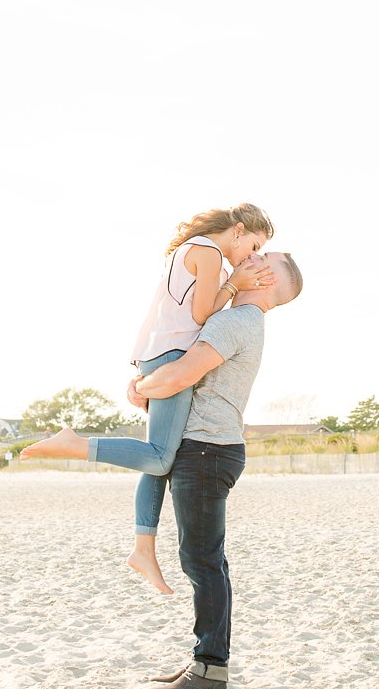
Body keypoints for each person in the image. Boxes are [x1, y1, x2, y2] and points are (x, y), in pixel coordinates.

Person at [23, 251, 304, 689]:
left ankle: (210, 667)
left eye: (260, 256)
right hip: (210, 449)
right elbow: (178, 380)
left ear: (267, 278)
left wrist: (140, 387)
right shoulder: (241, 321)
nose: (249, 256)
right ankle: (206, 662)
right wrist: (149, 389)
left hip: (207, 451)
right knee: (207, 559)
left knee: (202, 561)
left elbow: (179, 377)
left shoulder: (235, 322)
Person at [21, 204, 276, 596]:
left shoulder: (192, 249)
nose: (251, 257)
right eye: (253, 245)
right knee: (159, 456)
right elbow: (202, 313)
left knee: (160, 459)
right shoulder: (208, 252)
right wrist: (234, 283)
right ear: (238, 230)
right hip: (173, 353)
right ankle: (77, 445)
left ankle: (143, 549)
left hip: (160, 350)